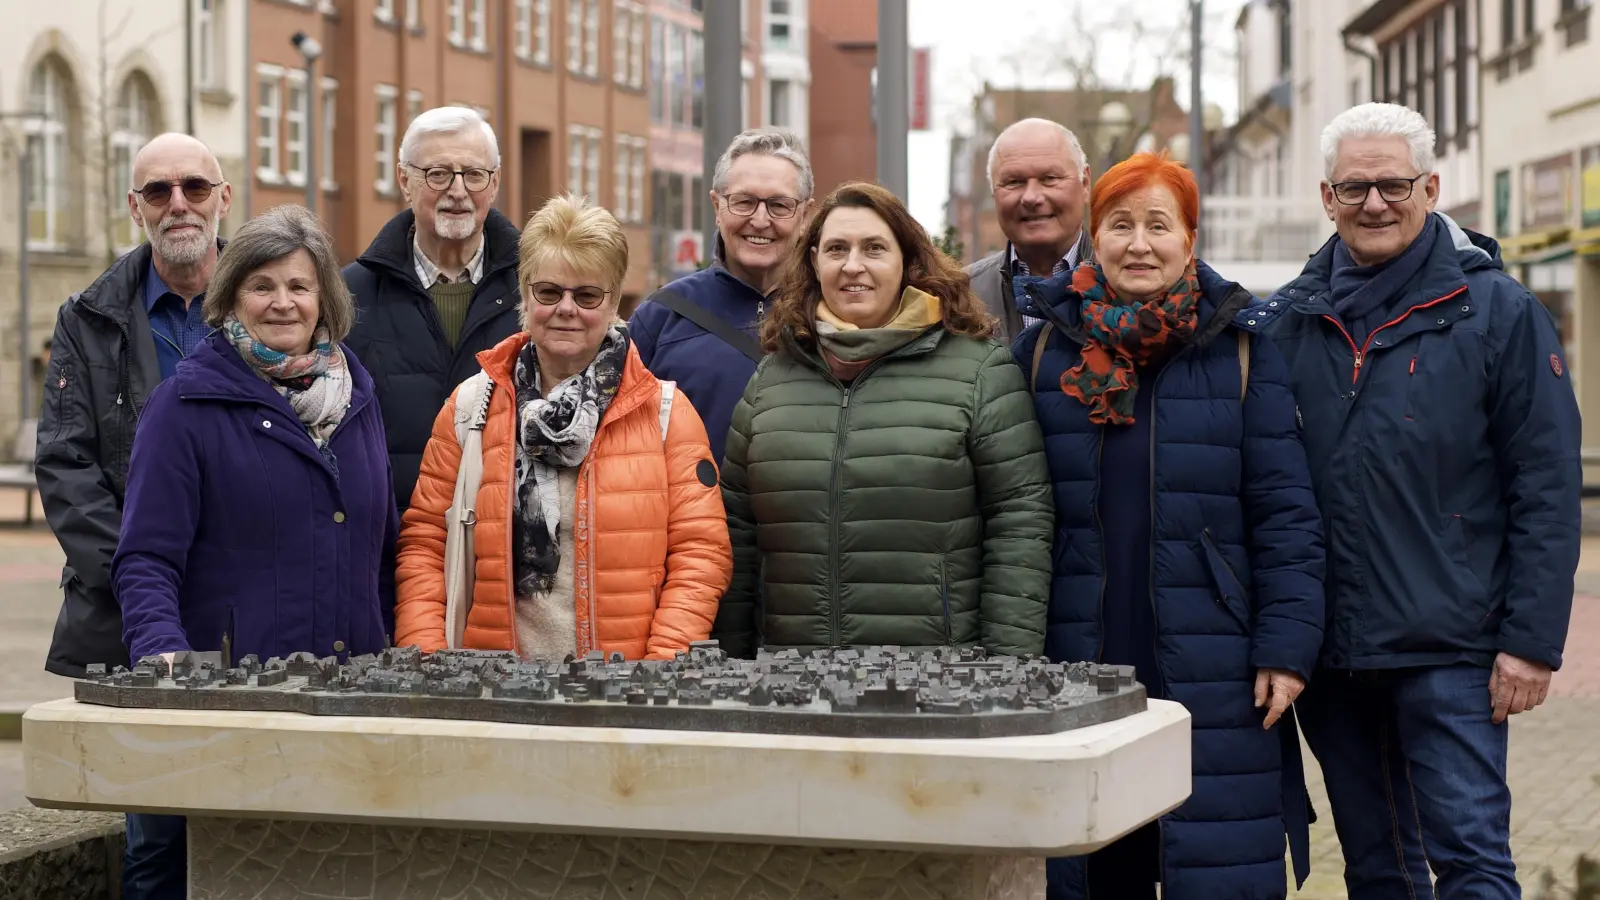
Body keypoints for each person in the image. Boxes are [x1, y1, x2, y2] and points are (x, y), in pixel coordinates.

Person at [1253, 103, 1581, 899]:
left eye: (1394, 185)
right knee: (1375, 868)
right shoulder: (1287, 323)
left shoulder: (1498, 313)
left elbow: (1545, 483)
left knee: (1470, 860)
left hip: (1455, 652)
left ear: (1431, 187)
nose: (1375, 203)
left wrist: (1532, 642)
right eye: (1355, 187)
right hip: (1334, 660)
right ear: (1326, 198)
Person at [1013, 152, 1325, 899]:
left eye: (1159, 224)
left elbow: (1287, 516)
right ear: (1095, 237)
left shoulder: (1244, 353)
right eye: (1120, 225)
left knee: (1213, 864)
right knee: (1094, 865)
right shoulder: (1043, 355)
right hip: (1077, 656)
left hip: (1215, 663)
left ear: (1191, 237)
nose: (1139, 244)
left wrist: (1286, 648)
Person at [110, 205, 395, 896]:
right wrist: (162, 656)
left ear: (324, 297)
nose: (282, 302)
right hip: (232, 704)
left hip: (346, 703)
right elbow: (145, 556)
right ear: (231, 295)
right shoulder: (186, 404)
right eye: (262, 285)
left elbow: (380, 545)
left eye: (299, 286)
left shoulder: (357, 398)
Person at [715, 181, 1053, 659]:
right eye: (836, 249)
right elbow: (738, 536)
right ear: (814, 262)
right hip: (794, 679)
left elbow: (1020, 522)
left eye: (874, 248)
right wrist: (730, 666)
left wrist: (1007, 669)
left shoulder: (979, 370)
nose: (853, 265)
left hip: (938, 683)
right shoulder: (773, 379)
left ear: (908, 262)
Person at [395, 194, 731, 660]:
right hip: (492, 694)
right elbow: (425, 547)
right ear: (523, 291)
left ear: (614, 299)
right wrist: (430, 662)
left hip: (622, 695)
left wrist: (659, 672)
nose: (566, 309)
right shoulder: (471, 406)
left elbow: (701, 557)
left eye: (587, 295)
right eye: (548, 292)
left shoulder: (665, 413)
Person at [34, 132, 232, 900]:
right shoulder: (88, 318)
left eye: (193, 186)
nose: (177, 203)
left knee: (257, 815)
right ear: (134, 208)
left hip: (249, 609)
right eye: (158, 191)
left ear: (223, 197)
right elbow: (65, 463)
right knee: (155, 833)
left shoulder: (276, 298)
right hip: (132, 615)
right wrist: (141, 574)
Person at [342, 106, 523, 512]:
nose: (458, 191)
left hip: (506, 551)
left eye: (474, 174)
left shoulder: (539, 294)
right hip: (390, 548)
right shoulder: (346, 297)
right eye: (438, 173)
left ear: (494, 184)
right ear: (405, 180)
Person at [629, 128, 815, 462]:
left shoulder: (832, 314)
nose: (760, 220)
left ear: (805, 216)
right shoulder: (661, 318)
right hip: (691, 514)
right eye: (743, 202)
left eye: (779, 205)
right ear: (717, 206)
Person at [967, 118, 1094, 344]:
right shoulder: (960, 297)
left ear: (1085, 183)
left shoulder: (1129, 285)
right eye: (1014, 182)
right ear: (993, 193)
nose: (1032, 197)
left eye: (1049, 179)